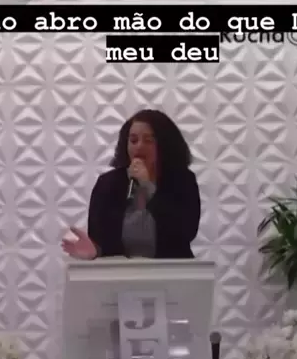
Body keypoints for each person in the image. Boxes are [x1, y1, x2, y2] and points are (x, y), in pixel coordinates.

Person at [61, 109, 201, 260]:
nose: (139, 146)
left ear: (164, 144)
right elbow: (99, 238)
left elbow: (187, 231)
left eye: (148, 140)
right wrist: (95, 252)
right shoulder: (108, 183)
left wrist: (147, 186)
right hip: (120, 272)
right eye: (133, 140)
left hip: (170, 270)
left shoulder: (182, 180)